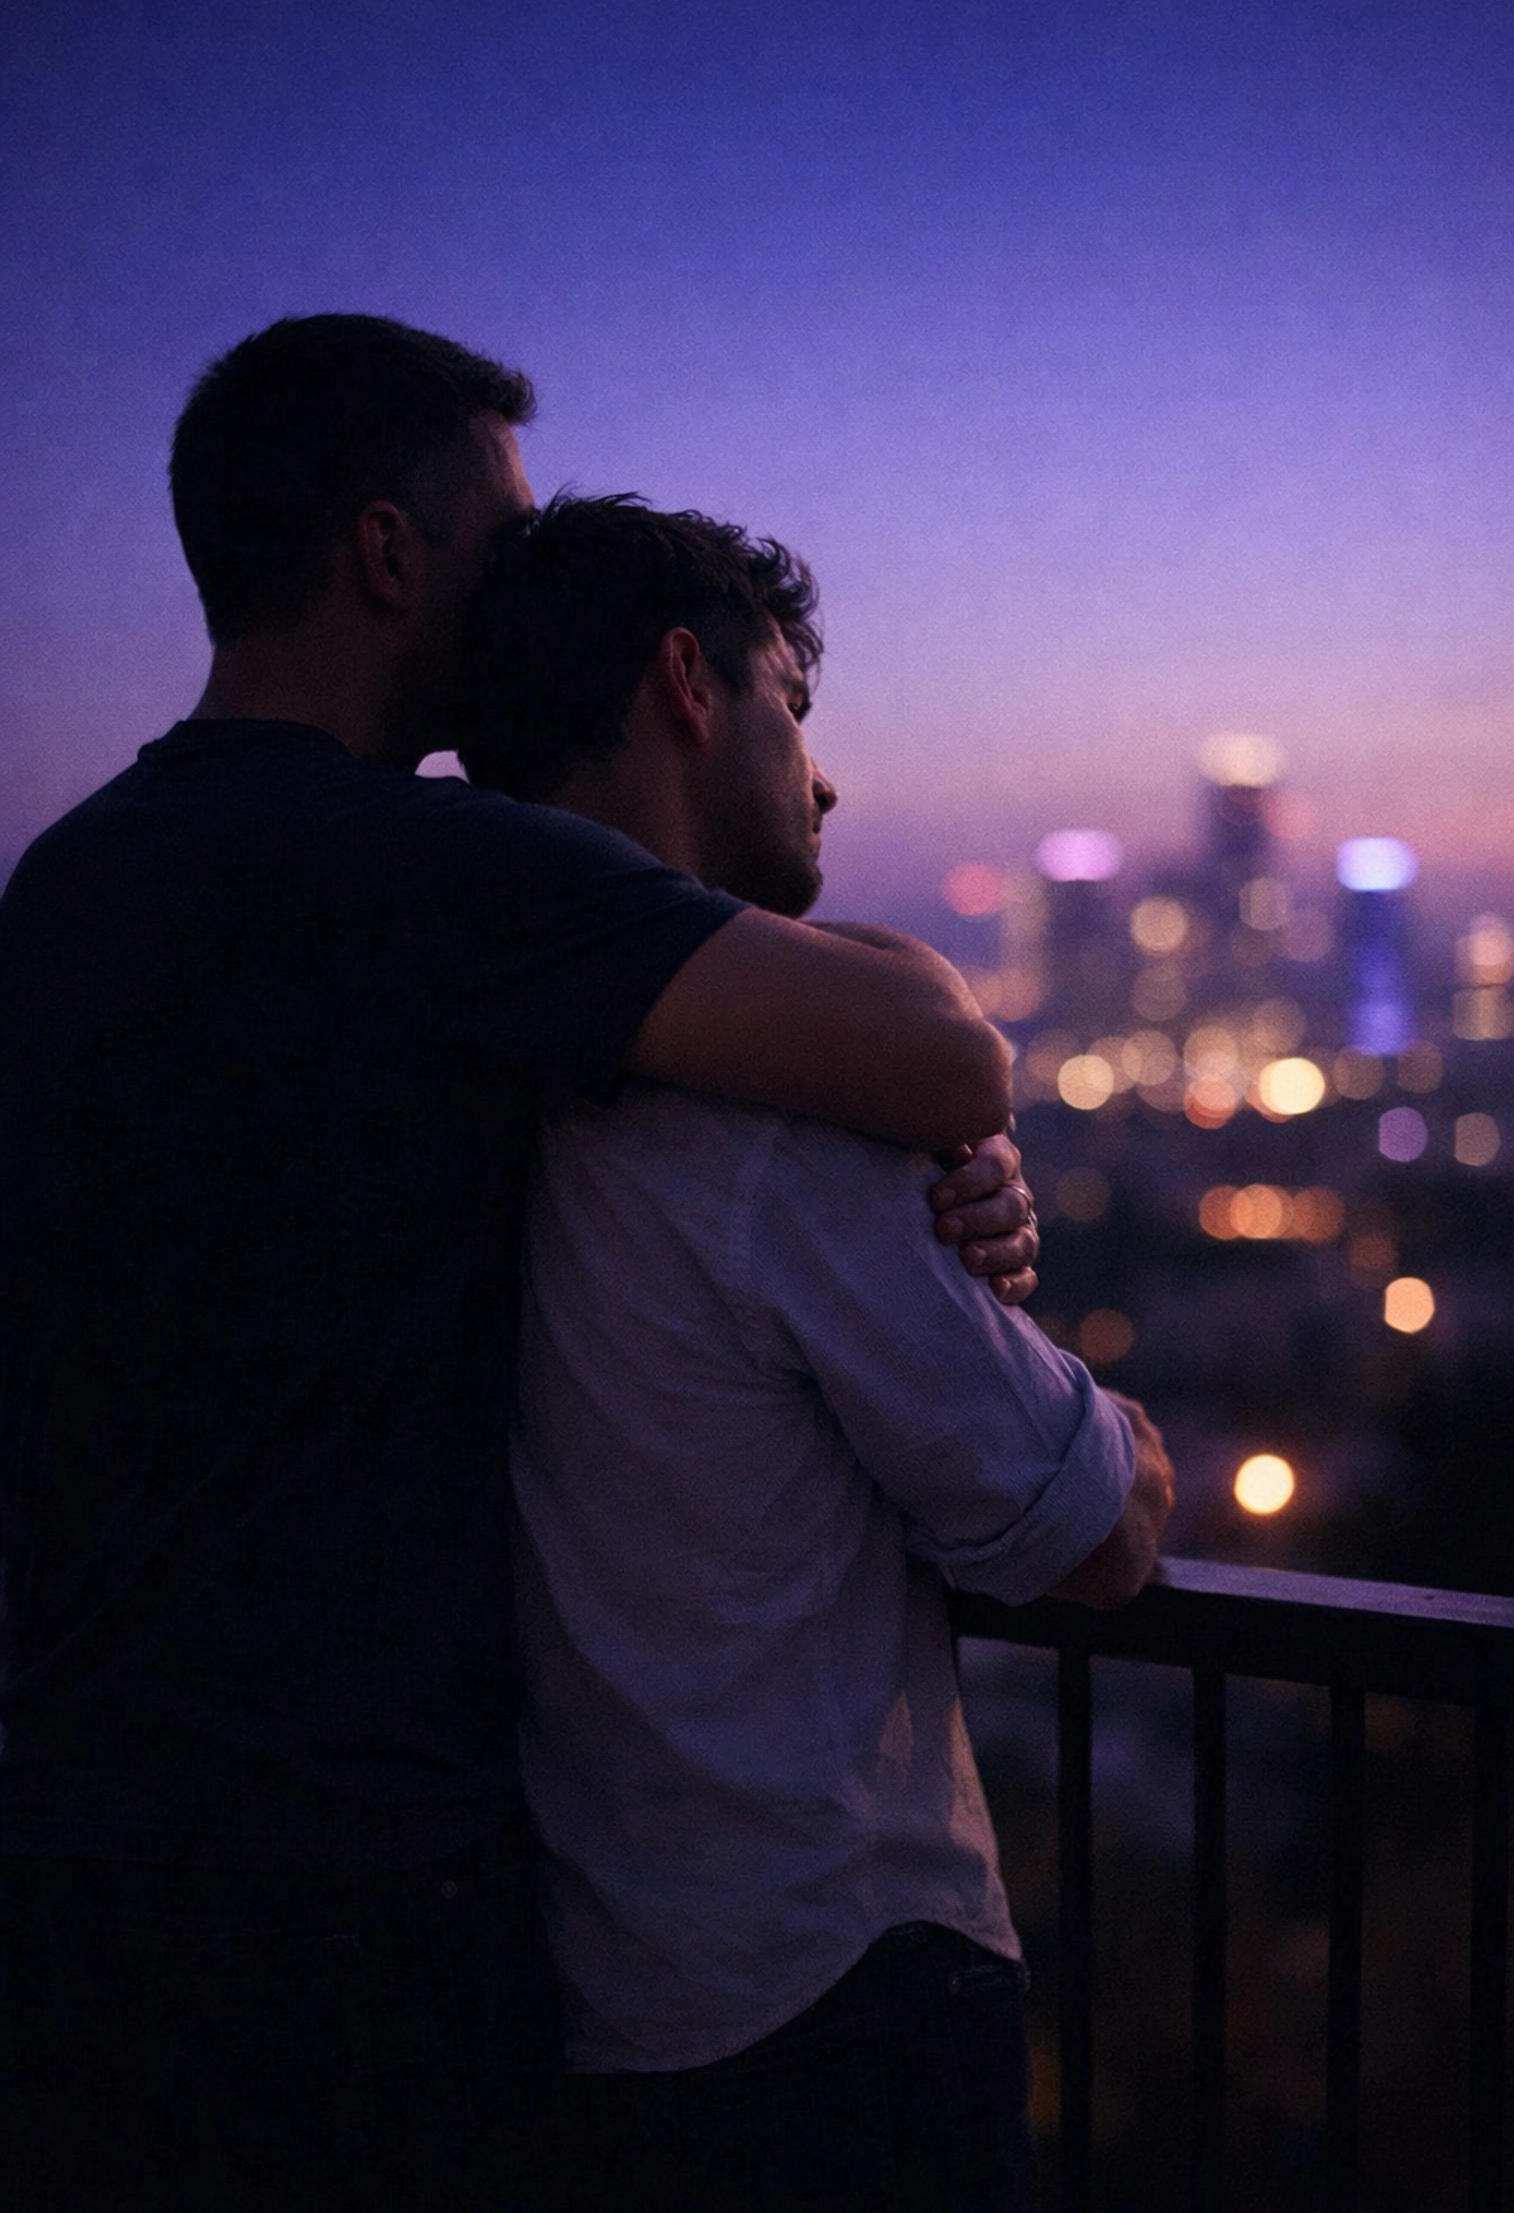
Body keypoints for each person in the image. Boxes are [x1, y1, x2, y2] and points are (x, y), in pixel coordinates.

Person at [0, 316, 1042, 2213]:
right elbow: (946, 1058)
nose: (520, 592)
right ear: (393, 555)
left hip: (75, 1852)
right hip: (362, 1887)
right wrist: (963, 1122)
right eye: (502, 540)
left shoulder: (61, 888)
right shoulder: (429, 869)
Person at [456, 495, 1176, 2213]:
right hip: (834, 1996)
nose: (828, 776)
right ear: (692, 687)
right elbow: (1095, 1531)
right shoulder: (779, 1122)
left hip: (576, 2002)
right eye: (797, 699)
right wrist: (1132, 1431)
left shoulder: (455, 1069)